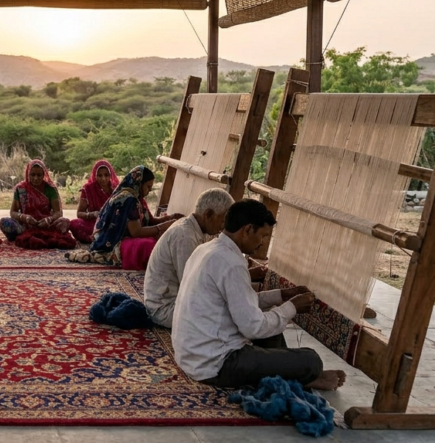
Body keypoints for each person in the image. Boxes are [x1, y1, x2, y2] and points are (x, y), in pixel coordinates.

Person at [172, 199, 346, 390]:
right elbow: (253, 327)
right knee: (311, 361)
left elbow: (243, 303)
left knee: (273, 327)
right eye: (262, 235)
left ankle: (293, 373)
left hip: (190, 355)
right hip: (215, 364)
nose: (262, 243)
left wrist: (282, 295)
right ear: (247, 230)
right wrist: (292, 307)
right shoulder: (231, 263)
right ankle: (305, 376)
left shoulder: (207, 249)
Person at [144, 188, 234, 328]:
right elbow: (193, 286)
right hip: (165, 309)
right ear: (208, 215)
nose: (223, 227)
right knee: (230, 313)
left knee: (233, 305)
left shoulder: (198, 230)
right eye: (222, 221)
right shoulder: (185, 236)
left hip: (177, 301)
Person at [88, 165, 182, 270]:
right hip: (115, 243)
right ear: (139, 183)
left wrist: (170, 218)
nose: (149, 191)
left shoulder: (138, 198)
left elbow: (151, 221)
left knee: (161, 240)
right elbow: (136, 232)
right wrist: (162, 227)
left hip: (129, 238)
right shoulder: (127, 199)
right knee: (149, 245)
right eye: (148, 187)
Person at [0, 159, 70, 242]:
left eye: (39, 175)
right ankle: (26, 233)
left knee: (65, 222)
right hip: (25, 225)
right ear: (28, 174)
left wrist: (48, 220)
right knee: (4, 222)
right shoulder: (21, 189)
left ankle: (26, 236)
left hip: (46, 225)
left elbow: (58, 212)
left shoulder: (51, 189)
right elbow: (13, 212)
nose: (36, 178)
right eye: (32, 175)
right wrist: (24, 217)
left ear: (44, 174)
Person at [69, 160, 119, 243]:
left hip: (111, 224)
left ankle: (101, 238)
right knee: (74, 224)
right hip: (93, 224)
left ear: (111, 175)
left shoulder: (116, 189)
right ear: (95, 175)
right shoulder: (88, 189)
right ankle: (100, 238)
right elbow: (79, 213)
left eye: (106, 175)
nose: (103, 179)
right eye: (99, 175)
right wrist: (93, 214)